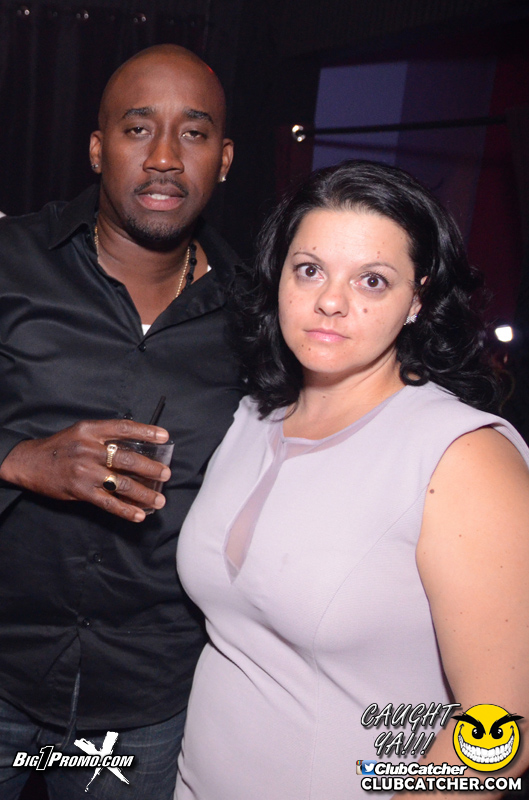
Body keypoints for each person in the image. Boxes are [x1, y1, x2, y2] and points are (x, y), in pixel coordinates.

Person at [175, 160, 529, 799]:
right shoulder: (254, 414)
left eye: (372, 280)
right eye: (309, 270)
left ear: (417, 299)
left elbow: (506, 730)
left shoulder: (462, 457)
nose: (331, 301)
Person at [0, 44, 242, 800]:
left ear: (224, 160)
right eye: (139, 129)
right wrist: (17, 458)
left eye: (193, 133)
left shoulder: (260, 317)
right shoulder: (10, 261)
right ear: (99, 149)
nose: (165, 157)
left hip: (143, 703)